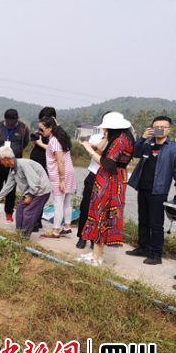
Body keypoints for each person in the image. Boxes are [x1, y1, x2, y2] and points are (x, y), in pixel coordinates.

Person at [79, 112, 135, 266]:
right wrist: (97, 146)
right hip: (112, 179)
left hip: (110, 181)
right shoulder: (122, 137)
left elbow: (109, 164)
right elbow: (111, 157)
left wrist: (90, 151)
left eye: (106, 128)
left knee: (102, 214)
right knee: (100, 213)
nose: (104, 131)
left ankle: (97, 257)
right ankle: (96, 254)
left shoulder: (120, 140)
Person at [127, 115, 176, 265]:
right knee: (143, 219)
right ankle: (143, 247)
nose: (159, 129)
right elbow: (134, 153)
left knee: (156, 224)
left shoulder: (173, 148)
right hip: (143, 187)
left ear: (169, 129)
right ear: (152, 129)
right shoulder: (147, 144)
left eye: (163, 127)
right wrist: (142, 138)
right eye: (156, 127)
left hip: (159, 190)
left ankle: (156, 254)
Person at [0, 146, 51, 238]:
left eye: (1, 160)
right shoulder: (13, 169)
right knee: (20, 208)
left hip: (41, 190)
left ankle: (24, 236)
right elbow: (8, 186)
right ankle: (19, 233)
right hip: (32, 190)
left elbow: (36, 181)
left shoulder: (23, 164)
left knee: (28, 211)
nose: (1, 163)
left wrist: (30, 196)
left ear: (6, 159)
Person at [39, 116, 77, 238]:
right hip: (69, 172)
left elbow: (60, 161)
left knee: (58, 202)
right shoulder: (61, 138)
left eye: (42, 129)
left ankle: (55, 231)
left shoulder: (54, 140)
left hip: (60, 174)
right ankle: (67, 226)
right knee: (67, 201)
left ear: (50, 128)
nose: (41, 131)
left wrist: (61, 180)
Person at [0, 109, 30, 221]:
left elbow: (25, 143)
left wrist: (14, 153)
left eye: (13, 122)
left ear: (17, 119)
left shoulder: (23, 128)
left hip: (13, 164)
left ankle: (9, 212)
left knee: (11, 189)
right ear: (5, 119)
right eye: (9, 122)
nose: (11, 124)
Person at [29, 107, 55, 231]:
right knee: (35, 189)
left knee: (41, 191)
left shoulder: (56, 133)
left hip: (45, 163)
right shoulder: (43, 131)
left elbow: (53, 150)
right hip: (36, 159)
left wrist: (40, 143)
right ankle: (36, 220)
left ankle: (35, 221)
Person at [30, 107, 56, 172]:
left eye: (44, 119)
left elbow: (55, 149)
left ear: (52, 118)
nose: (42, 122)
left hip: (46, 168)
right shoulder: (43, 130)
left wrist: (41, 144)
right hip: (36, 164)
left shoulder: (58, 133)